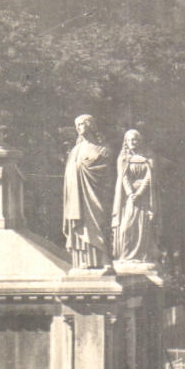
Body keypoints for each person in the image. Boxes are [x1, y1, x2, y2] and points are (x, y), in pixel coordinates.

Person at [63, 115, 114, 270]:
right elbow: (68, 172)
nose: (79, 127)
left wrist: (81, 168)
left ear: (90, 125)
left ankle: (104, 259)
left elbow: (106, 172)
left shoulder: (103, 149)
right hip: (76, 195)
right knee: (81, 225)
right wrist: (77, 168)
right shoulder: (76, 150)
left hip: (95, 194)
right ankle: (82, 261)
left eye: (82, 124)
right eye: (76, 125)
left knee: (98, 224)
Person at [111, 129, 158, 264]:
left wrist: (139, 193)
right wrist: (131, 193)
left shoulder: (149, 157)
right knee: (126, 227)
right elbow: (123, 176)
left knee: (142, 227)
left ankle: (141, 256)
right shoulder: (122, 158)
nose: (132, 142)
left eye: (135, 139)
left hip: (144, 198)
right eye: (129, 140)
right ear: (125, 142)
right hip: (128, 198)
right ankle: (125, 256)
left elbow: (150, 177)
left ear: (140, 141)